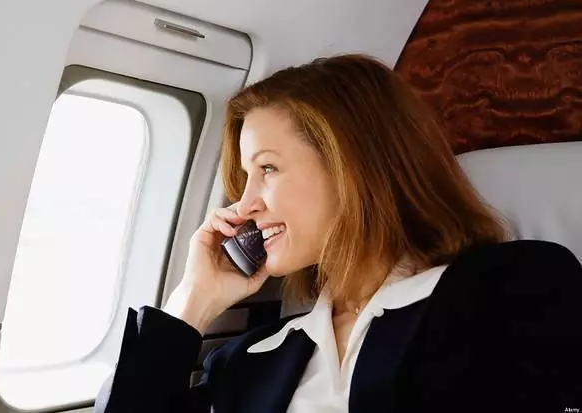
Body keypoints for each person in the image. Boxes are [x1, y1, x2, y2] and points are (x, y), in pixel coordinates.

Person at [94, 54, 582, 413]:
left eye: (268, 169)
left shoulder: (515, 285)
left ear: (354, 169)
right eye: (245, 178)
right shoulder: (250, 359)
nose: (244, 206)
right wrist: (193, 302)